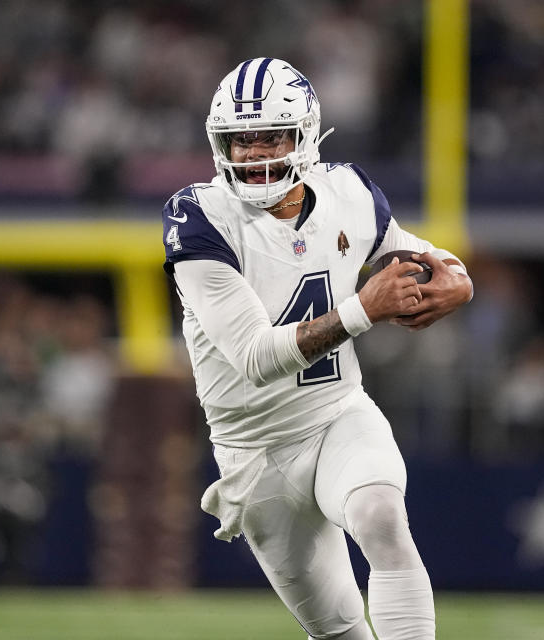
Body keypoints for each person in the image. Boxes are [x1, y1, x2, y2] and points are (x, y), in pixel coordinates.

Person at [162, 58, 472, 640]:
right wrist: (364, 310)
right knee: (340, 632)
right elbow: (255, 357)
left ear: (305, 135)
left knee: (380, 514)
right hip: (255, 455)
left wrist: (458, 277)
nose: (252, 155)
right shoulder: (199, 217)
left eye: (268, 137)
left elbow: (417, 253)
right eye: (239, 140)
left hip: (336, 415)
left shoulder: (348, 191)